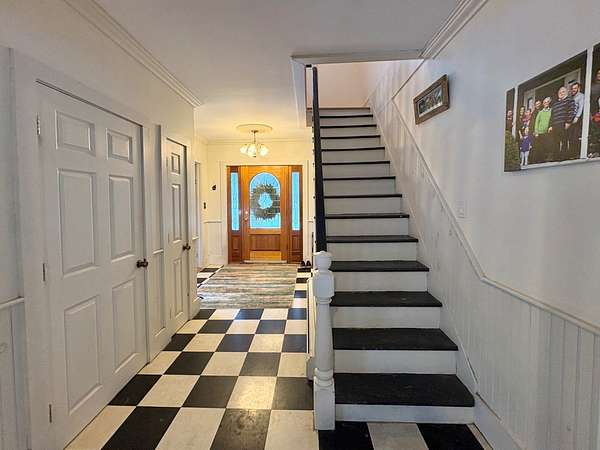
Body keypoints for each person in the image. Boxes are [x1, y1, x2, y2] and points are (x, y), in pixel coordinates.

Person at [549, 86, 576, 160]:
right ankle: (556, 157)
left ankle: (563, 157)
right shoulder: (555, 104)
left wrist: (568, 122)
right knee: (556, 142)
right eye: (560, 92)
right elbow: (552, 116)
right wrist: (551, 126)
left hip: (564, 124)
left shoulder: (570, 100)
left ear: (566, 93)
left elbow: (571, 111)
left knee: (564, 141)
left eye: (563, 92)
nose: (561, 93)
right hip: (555, 125)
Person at [568, 82, 584, 158]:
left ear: (578, 88)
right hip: (570, 119)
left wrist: (577, 117)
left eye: (575, 88)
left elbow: (581, 107)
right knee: (570, 137)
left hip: (576, 119)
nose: (573, 90)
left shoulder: (581, 96)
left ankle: (575, 154)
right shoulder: (571, 97)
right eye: (572, 88)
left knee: (575, 136)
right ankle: (571, 154)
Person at [534, 97, 553, 161]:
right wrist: (536, 132)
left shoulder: (551, 110)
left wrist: (551, 127)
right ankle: (541, 159)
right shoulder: (540, 112)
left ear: (549, 103)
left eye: (547, 102)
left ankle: (548, 158)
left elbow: (552, 120)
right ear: (543, 104)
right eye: (545, 102)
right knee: (541, 147)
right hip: (540, 132)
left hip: (548, 132)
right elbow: (536, 122)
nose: (546, 103)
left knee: (548, 145)